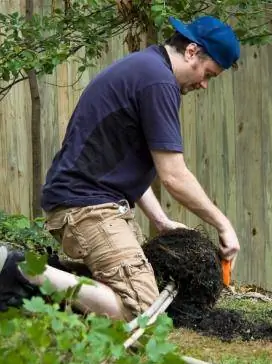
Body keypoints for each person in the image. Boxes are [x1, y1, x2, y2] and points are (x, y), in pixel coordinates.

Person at [0, 15, 240, 320]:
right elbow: (174, 175)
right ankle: (20, 271)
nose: (204, 84)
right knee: (141, 310)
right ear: (192, 51)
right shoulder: (157, 81)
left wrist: (162, 221)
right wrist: (223, 225)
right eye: (208, 74)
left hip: (95, 201)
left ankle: (48, 278)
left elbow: (124, 163)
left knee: (135, 285)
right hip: (86, 205)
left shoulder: (146, 68)